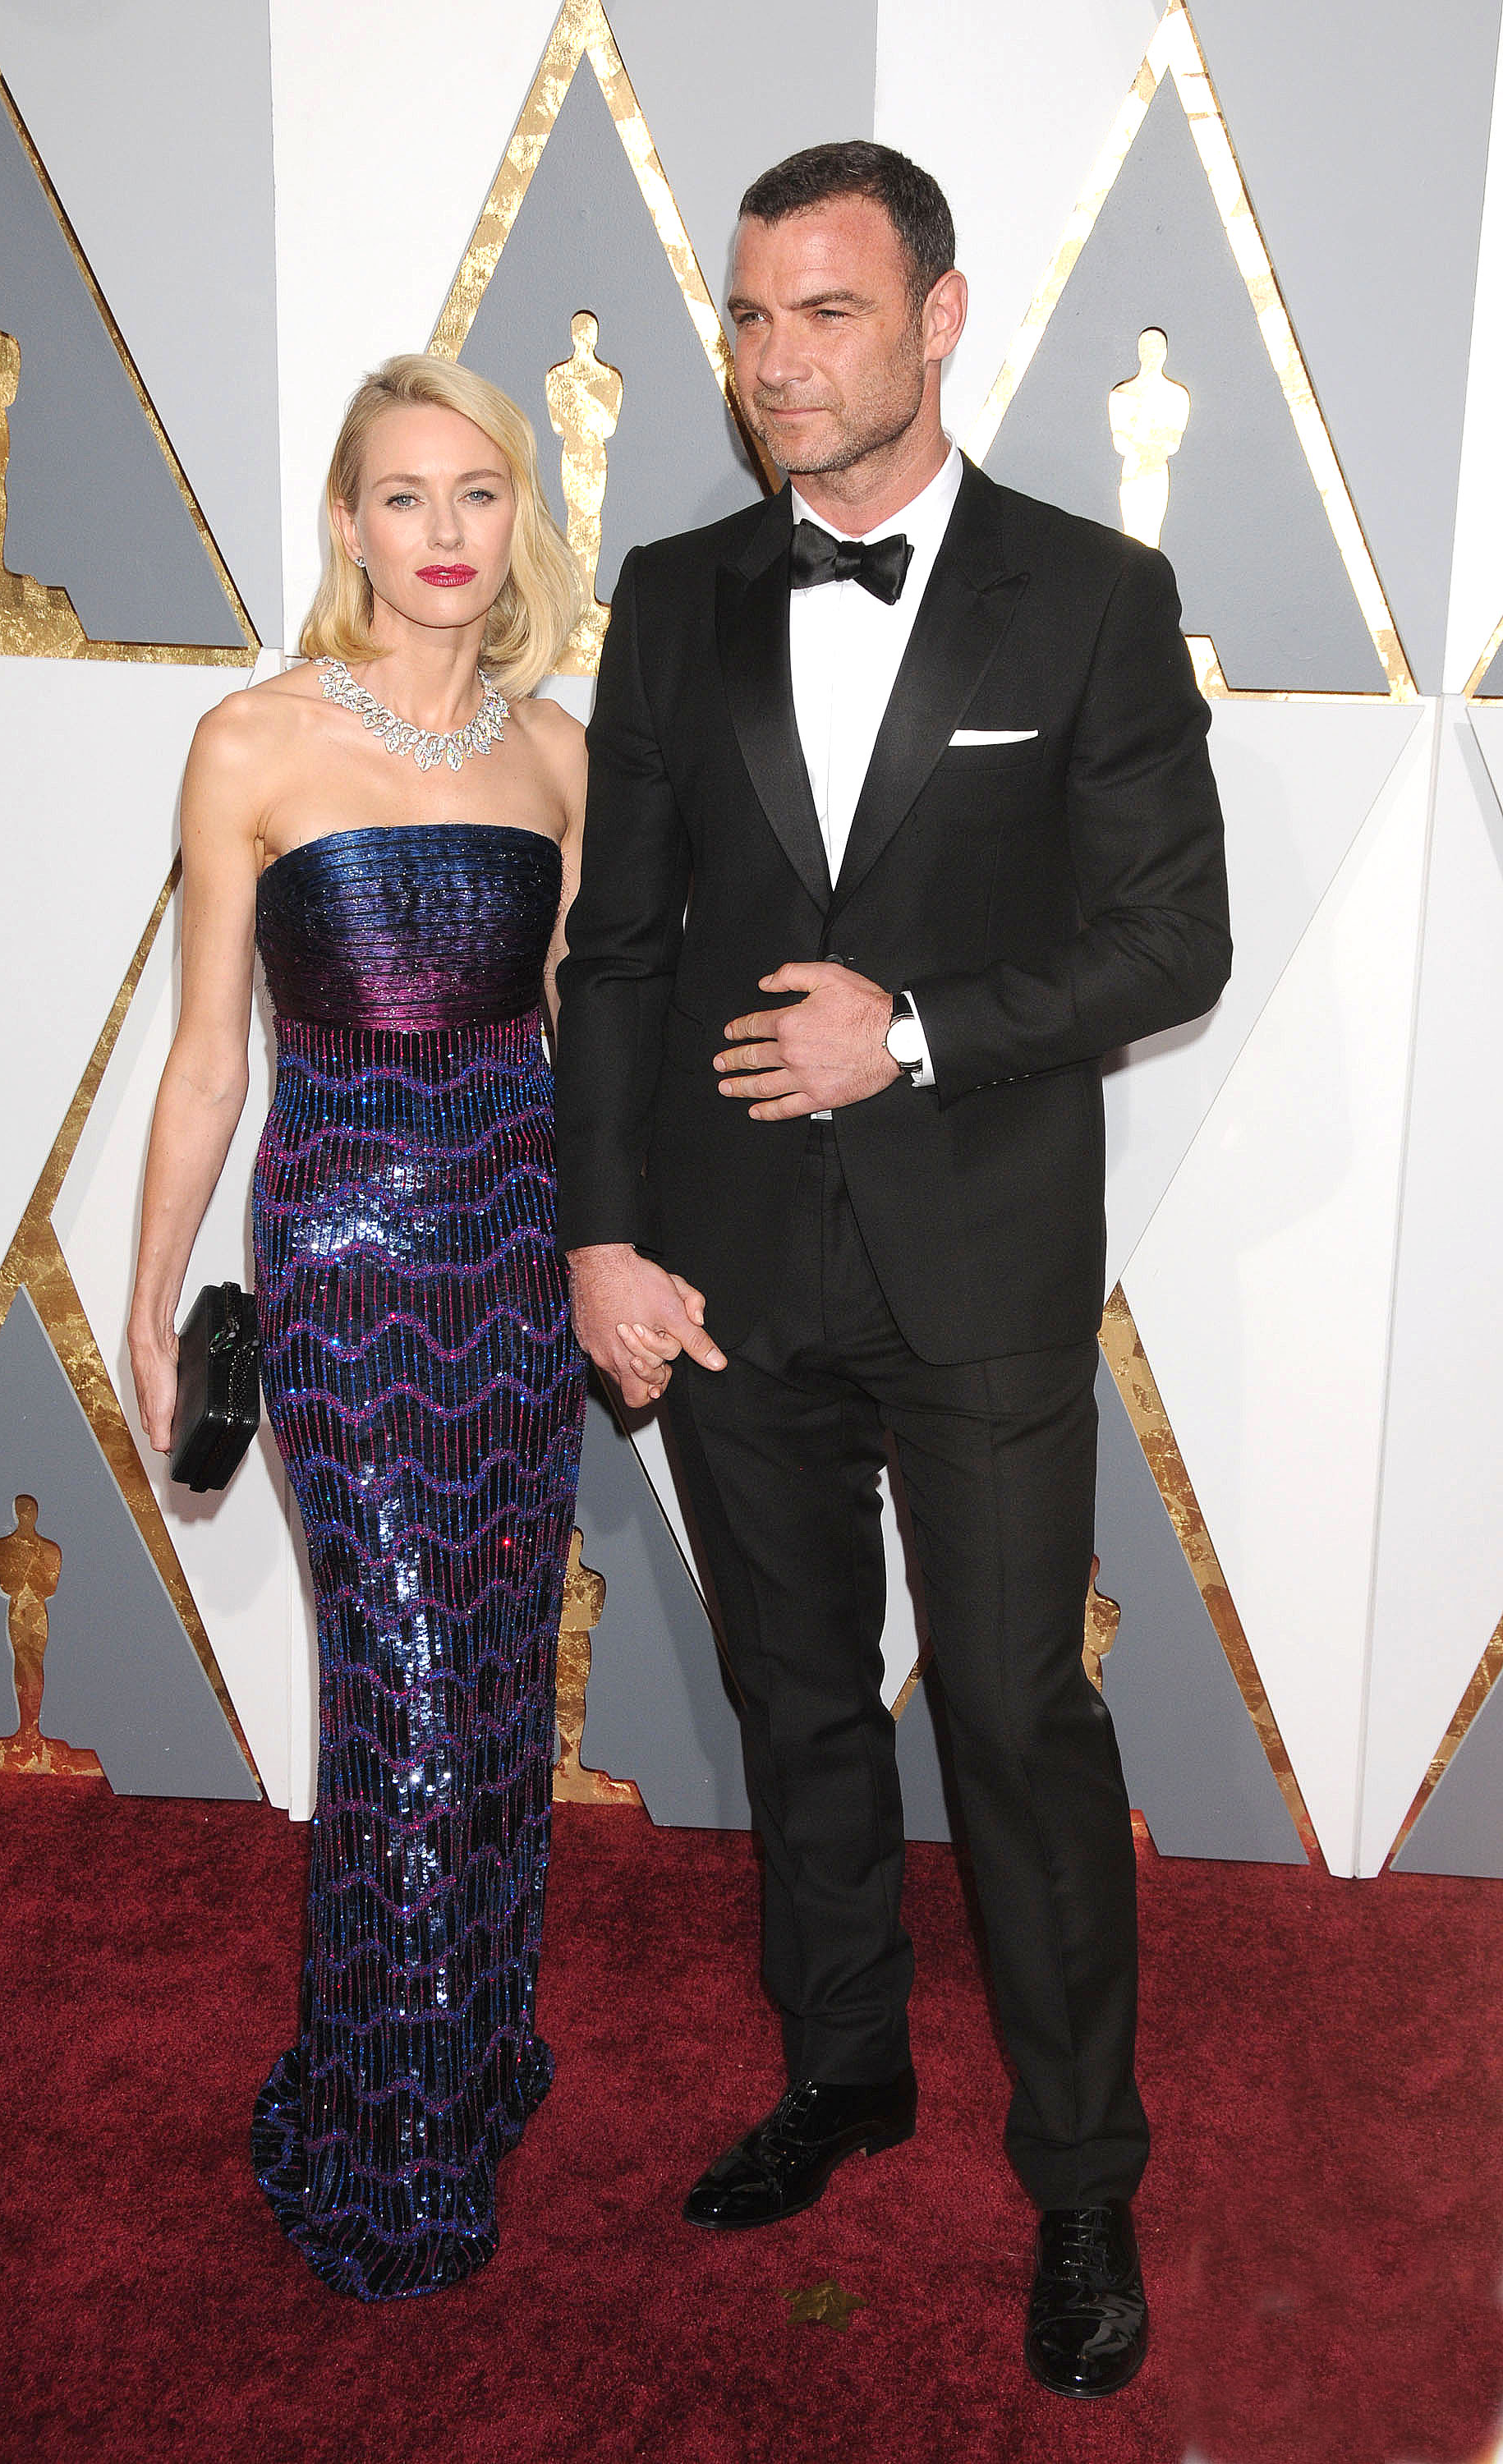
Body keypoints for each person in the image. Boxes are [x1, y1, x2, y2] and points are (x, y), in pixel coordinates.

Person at [554, 143, 1230, 2398]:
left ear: (939, 318)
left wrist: (913, 1032)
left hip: (983, 1266)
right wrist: (600, 1232)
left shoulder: (1094, 596)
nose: (776, 362)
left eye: (824, 313)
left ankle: (1083, 2176)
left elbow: (1172, 940)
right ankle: (844, 2067)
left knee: (1019, 1719)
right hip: (729, 1268)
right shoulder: (673, 594)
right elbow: (617, 952)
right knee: (799, 1700)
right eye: (750, 318)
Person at [128, 355, 587, 2301]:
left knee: (493, 1689)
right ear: (348, 523)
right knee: (401, 1692)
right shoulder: (252, 740)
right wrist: (151, 1301)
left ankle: (466, 2060)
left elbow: (576, 1043)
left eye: (476, 493)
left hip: (519, 1258)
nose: (444, 531)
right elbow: (206, 1058)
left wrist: (617, 1256)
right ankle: (384, 2137)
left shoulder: (555, 755)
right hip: (341, 1268)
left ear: (515, 519)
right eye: (405, 495)